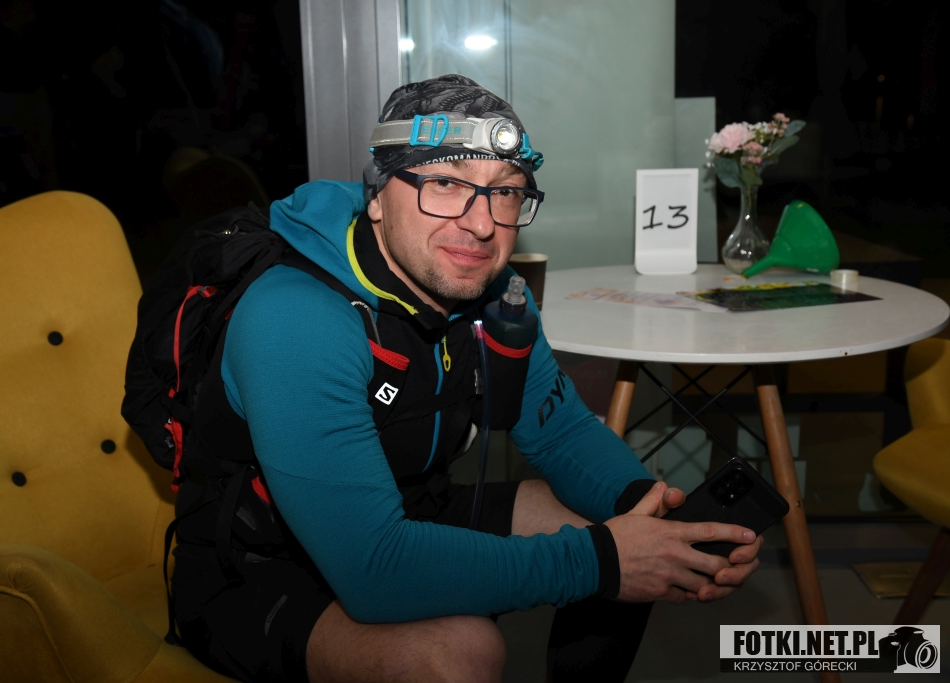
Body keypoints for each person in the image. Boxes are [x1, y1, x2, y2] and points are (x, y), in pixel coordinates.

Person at [170, 74, 763, 683]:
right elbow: (374, 567)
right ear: (378, 196)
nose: (481, 225)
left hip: (414, 509)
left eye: (505, 192)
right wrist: (604, 562)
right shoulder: (295, 319)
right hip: (256, 568)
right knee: (463, 651)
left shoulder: (495, 295)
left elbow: (560, 432)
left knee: (626, 533)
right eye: (446, 184)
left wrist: (645, 507)